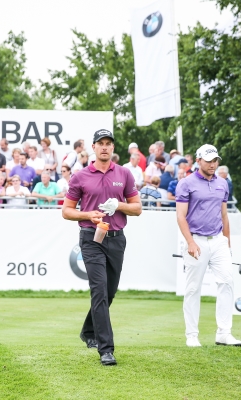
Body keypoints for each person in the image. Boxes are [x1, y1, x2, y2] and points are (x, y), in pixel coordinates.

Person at [62, 129, 142, 366]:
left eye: (109, 143)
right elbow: (66, 211)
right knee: (99, 290)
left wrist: (118, 205)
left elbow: (137, 208)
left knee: (109, 292)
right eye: (101, 143)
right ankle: (105, 348)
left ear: (113, 148)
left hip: (116, 237)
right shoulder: (80, 176)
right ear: (94, 148)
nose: (105, 147)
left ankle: (88, 330)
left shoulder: (124, 174)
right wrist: (88, 214)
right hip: (91, 238)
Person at [175, 144, 241, 348]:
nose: (213, 164)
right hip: (196, 240)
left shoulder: (223, 184)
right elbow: (180, 217)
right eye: (209, 160)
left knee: (227, 282)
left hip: (218, 240)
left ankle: (224, 333)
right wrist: (190, 242)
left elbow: (224, 215)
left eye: (215, 160)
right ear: (198, 161)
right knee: (193, 288)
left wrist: (227, 242)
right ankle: (192, 335)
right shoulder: (186, 183)